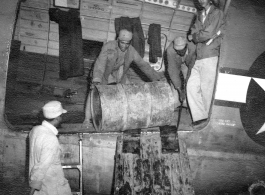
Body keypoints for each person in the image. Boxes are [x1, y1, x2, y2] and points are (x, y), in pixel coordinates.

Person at [84, 29, 163, 127]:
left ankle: (121, 117)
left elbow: (143, 65)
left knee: (127, 91)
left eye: (127, 43)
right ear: (118, 40)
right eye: (122, 43)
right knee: (93, 92)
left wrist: (157, 79)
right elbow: (100, 64)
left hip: (118, 73)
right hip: (102, 72)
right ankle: (87, 119)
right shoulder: (108, 47)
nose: (124, 46)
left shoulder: (131, 51)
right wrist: (96, 79)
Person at [187, 0, 224, 129]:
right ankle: (200, 117)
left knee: (207, 91)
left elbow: (207, 33)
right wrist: (199, 35)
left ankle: (207, 121)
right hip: (199, 56)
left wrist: (197, 36)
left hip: (210, 56)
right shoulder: (200, 14)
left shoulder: (217, 13)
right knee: (191, 87)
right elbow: (194, 32)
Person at [28, 101, 72, 195]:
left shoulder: (35, 130)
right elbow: (42, 165)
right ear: (57, 118)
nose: (61, 118)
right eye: (61, 116)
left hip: (42, 183)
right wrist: (33, 188)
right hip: (51, 186)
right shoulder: (50, 138)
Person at [166, 36, 196, 102]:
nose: (180, 53)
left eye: (182, 50)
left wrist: (186, 86)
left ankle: (188, 104)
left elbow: (192, 68)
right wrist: (179, 90)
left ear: (186, 46)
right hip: (177, 63)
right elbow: (172, 70)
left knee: (190, 84)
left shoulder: (193, 47)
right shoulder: (170, 50)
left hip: (188, 64)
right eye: (177, 51)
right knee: (175, 87)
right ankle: (175, 104)